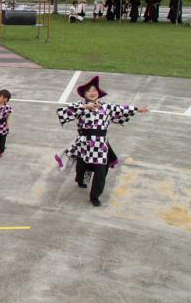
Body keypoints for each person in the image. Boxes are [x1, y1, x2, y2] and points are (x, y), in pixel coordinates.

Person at [54, 76, 149, 207]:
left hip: (101, 145)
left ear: (98, 93)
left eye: (94, 90)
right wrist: (84, 107)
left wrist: (138, 109)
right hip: (84, 143)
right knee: (82, 166)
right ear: (85, 94)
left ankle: (95, 196)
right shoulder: (79, 105)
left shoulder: (106, 107)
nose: (92, 92)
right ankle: (80, 179)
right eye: (89, 91)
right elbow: (64, 112)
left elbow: (122, 109)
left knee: (101, 170)